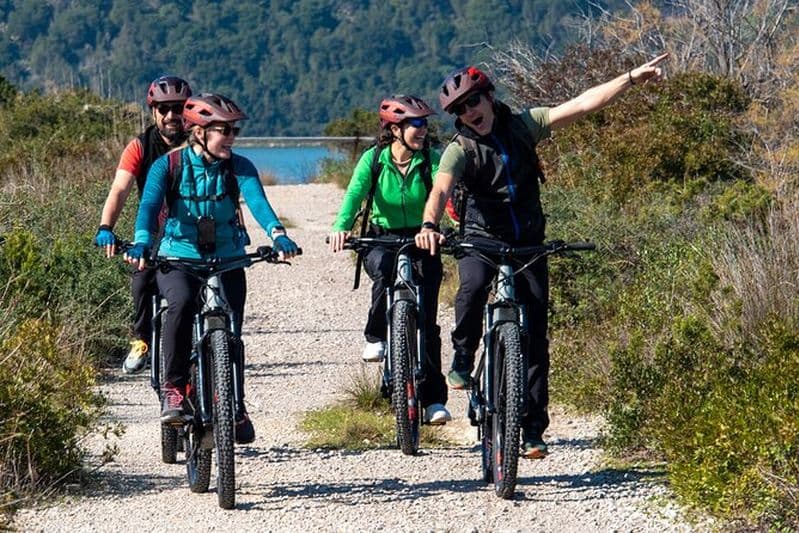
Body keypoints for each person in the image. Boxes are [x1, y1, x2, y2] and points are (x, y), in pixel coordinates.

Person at [415, 54, 668, 457]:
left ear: (488, 96)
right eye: (459, 110)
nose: (468, 113)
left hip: (529, 241)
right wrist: (429, 225)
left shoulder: (524, 125)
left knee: (535, 337)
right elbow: (440, 190)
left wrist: (632, 78)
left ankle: (533, 429)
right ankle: (463, 355)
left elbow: (584, 104)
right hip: (482, 238)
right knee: (473, 287)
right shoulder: (459, 149)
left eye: (473, 102)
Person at [125, 93, 299, 444]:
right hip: (178, 255)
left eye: (234, 130)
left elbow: (258, 203)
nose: (232, 137)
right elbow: (148, 208)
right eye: (224, 130)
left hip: (227, 256)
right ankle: (174, 389)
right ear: (199, 132)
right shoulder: (168, 166)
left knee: (232, 330)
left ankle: (235, 404)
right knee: (180, 304)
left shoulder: (239, 166)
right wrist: (142, 241)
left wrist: (278, 235)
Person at [329, 95, 450, 425]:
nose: (423, 130)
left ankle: (433, 400)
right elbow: (355, 193)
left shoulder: (430, 159)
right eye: (416, 124)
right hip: (381, 236)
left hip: (423, 236)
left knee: (428, 323)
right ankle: (376, 336)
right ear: (395, 129)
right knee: (383, 269)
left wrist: (449, 227)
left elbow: (445, 193)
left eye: (425, 124)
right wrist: (341, 227)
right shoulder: (374, 159)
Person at [94, 75, 193, 374]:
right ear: (153, 112)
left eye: (178, 108)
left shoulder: (200, 143)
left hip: (194, 230)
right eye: (164, 109)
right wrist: (106, 227)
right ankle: (142, 341)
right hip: (154, 230)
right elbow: (119, 189)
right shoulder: (139, 147)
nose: (171, 115)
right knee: (141, 279)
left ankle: (219, 337)